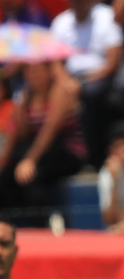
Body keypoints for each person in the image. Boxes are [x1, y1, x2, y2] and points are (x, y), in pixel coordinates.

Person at [50, 0, 124, 168]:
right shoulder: (60, 22)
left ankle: (94, 156)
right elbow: (55, 62)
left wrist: (81, 82)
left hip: (99, 77)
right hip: (69, 79)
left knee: (92, 95)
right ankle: (57, 156)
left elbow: (112, 63)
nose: (78, 2)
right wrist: (66, 82)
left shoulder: (107, 17)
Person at [0, 61, 86, 230]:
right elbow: (21, 135)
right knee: (6, 178)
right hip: (40, 153)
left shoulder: (60, 92)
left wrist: (30, 160)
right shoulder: (26, 96)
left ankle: (43, 225)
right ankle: (12, 227)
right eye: (30, 72)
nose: (34, 76)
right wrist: (19, 115)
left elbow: (49, 130)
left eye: (38, 71)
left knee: (31, 176)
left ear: (48, 72)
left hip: (65, 151)